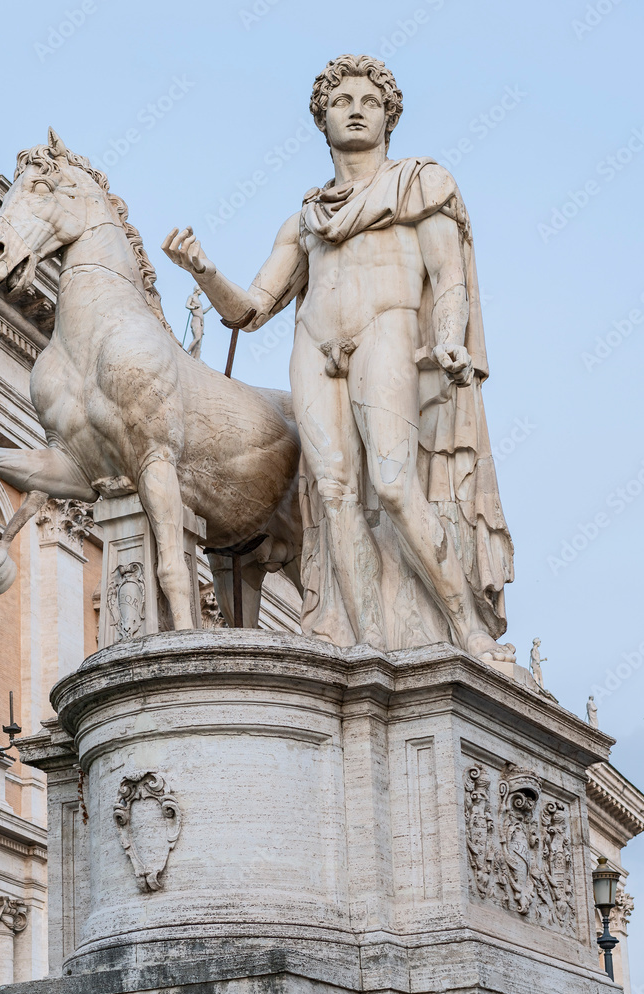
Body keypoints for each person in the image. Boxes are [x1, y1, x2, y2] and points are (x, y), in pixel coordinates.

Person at [163, 54, 513, 662]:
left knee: (398, 483)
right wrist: (204, 268)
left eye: (369, 102)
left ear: (388, 118)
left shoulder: (418, 183)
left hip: (390, 332)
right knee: (332, 495)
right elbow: (250, 309)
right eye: (341, 101)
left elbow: (448, 275)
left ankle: (468, 629)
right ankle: (365, 643)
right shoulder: (304, 220)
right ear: (321, 120)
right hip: (314, 347)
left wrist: (452, 336)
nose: (355, 109)